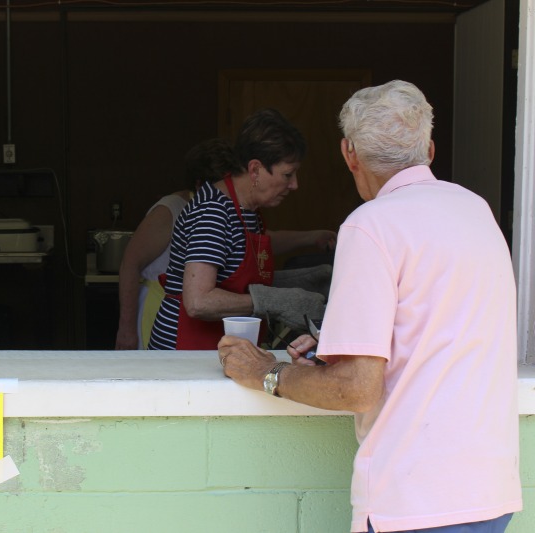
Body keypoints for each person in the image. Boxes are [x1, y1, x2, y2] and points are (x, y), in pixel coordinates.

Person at [218, 80, 522, 532]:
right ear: (430, 150)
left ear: (349, 154)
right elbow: (440, 328)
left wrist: (266, 372)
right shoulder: (475, 210)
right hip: (489, 494)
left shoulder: (371, 226)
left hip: (415, 502)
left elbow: (356, 389)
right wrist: (335, 344)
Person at [148, 108, 337, 350]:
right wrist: (276, 300)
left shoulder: (246, 209)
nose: (294, 184)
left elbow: (240, 262)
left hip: (220, 346)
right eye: (287, 174)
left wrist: (301, 280)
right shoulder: (213, 212)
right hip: (186, 350)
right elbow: (198, 301)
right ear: (255, 169)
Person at [115, 138, 244, 350]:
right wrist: (126, 328)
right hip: (159, 307)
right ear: (199, 184)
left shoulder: (227, 210)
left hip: (197, 315)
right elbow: (130, 265)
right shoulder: (170, 210)